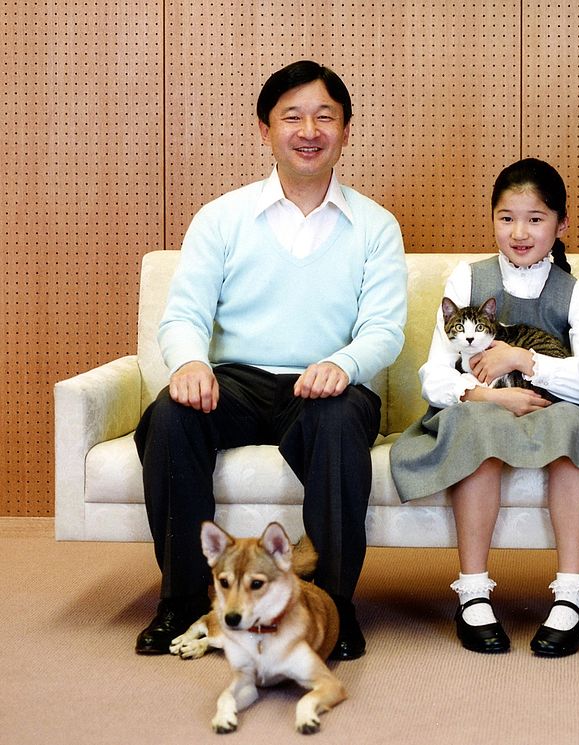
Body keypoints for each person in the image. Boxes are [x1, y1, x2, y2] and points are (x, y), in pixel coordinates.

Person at [133, 60, 407, 661]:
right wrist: (188, 364)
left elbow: (384, 329)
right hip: (236, 382)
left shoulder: (375, 226)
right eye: (292, 117)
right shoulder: (222, 218)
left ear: (346, 130)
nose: (309, 130)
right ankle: (180, 602)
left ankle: (333, 606)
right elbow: (183, 317)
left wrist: (344, 364)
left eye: (324, 117)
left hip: (327, 383)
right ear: (265, 130)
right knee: (170, 417)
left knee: (339, 423)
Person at [390, 158, 579, 657]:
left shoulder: (577, 291)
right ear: (492, 218)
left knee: (570, 424)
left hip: (552, 406)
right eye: (506, 217)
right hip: (485, 404)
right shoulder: (467, 278)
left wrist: (522, 360)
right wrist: (490, 394)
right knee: (479, 421)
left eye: (535, 219)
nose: (519, 232)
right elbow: (435, 373)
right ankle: (472, 594)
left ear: (561, 225)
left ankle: (570, 596)